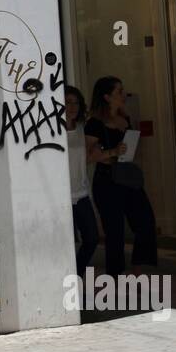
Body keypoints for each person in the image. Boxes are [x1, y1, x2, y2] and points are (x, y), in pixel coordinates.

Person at [85, 76, 158, 281]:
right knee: (114, 231)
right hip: (107, 180)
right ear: (107, 97)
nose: (123, 95)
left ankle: (136, 271)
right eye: (119, 92)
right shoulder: (95, 123)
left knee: (145, 222)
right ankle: (115, 278)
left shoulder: (124, 119)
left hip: (127, 177)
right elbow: (87, 156)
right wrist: (112, 151)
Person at [65, 86, 99, 282]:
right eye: (68, 102)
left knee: (92, 239)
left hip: (82, 193)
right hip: (63, 197)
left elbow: (86, 158)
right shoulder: (52, 130)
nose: (72, 107)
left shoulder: (81, 128)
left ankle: (75, 277)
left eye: (76, 102)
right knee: (67, 243)